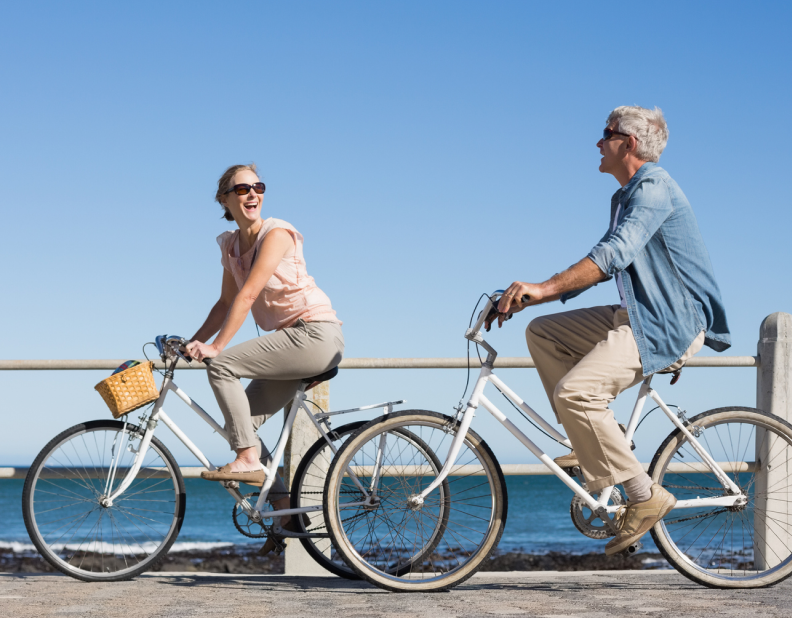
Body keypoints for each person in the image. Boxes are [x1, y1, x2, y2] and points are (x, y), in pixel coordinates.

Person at [489, 106, 730, 555]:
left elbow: (613, 255)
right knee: (543, 333)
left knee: (576, 393)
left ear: (629, 143)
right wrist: (532, 300)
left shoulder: (654, 187)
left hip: (668, 321)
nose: (597, 143)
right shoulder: (624, 197)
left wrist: (542, 287)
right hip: (637, 314)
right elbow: (605, 262)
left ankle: (644, 495)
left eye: (606, 133)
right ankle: (593, 441)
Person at [185, 163, 344, 524]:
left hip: (315, 334)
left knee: (222, 367)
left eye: (258, 186)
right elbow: (225, 303)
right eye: (242, 189)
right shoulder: (230, 246)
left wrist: (216, 348)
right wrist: (193, 342)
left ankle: (247, 460)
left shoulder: (276, 233)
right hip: (290, 343)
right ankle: (286, 510)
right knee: (239, 424)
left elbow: (249, 293)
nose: (252, 193)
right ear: (225, 200)